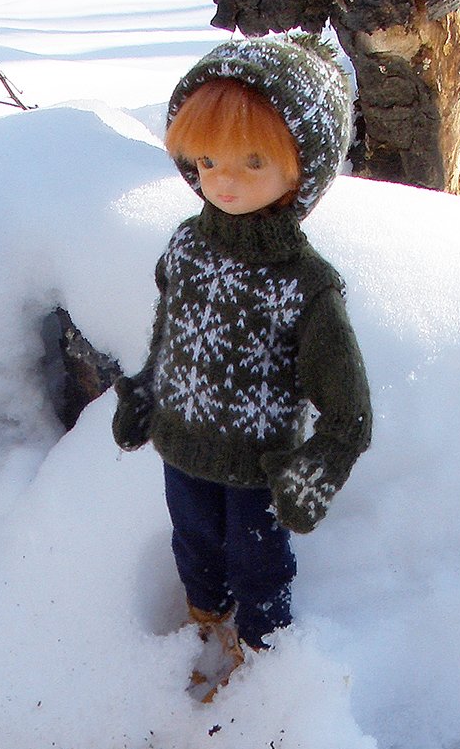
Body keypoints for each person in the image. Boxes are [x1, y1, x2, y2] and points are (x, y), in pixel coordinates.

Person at [113, 36, 372, 699]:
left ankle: (265, 659)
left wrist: (319, 465)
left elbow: (348, 411)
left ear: (301, 172)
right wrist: (147, 388)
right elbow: (173, 330)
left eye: (252, 162)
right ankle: (205, 625)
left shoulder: (306, 284)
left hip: (259, 466)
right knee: (194, 546)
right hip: (181, 447)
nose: (222, 180)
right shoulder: (187, 246)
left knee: (259, 565)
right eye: (206, 160)